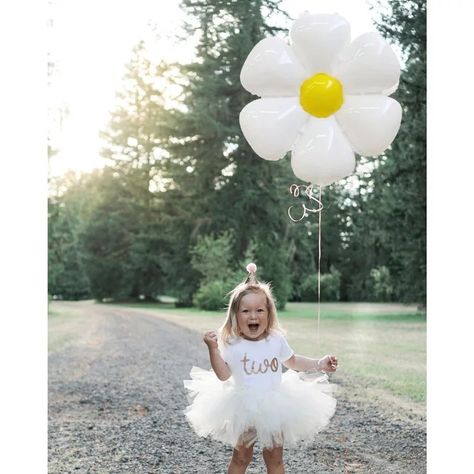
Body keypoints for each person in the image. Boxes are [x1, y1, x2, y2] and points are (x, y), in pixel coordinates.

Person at [183, 263, 338, 474]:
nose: (253, 316)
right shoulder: (231, 342)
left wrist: (319, 364)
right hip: (243, 406)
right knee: (241, 456)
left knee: (274, 457)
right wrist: (213, 349)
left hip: (274, 405)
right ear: (235, 315)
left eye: (259, 310)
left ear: (269, 313)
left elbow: (292, 361)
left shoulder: (275, 339)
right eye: (245, 311)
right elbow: (223, 375)